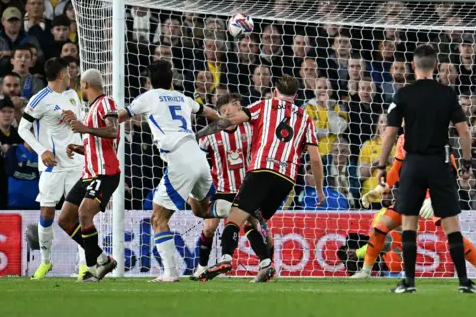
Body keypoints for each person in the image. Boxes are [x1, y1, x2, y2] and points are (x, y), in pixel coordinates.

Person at [194, 75, 325, 282]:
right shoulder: (305, 118)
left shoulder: (264, 105)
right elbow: (316, 160)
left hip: (262, 170)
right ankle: (266, 265)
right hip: (287, 180)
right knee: (254, 221)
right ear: (297, 96)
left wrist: (197, 135)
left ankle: (226, 258)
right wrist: (319, 190)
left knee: (235, 218)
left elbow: (229, 121)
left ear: (275, 92)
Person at [375, 44, 476, 294]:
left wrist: (382, 165)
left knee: (410, 223)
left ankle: (409, 282)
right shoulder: (447, 94)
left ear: (413, 67)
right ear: (436, 66)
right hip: (439, 162)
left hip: (412, 163)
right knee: (451, 223)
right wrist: (466, 162)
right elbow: (464, 131)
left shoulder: (402, 94)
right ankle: (465, 283)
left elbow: (390, 132)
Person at [117, 60, 221, 282]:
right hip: (198, 157)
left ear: (149, 82)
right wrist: (216, 126)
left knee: (157, 218)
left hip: (179, 160)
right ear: (172, 79)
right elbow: (211, 113)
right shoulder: (183, 98)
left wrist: (101, 118)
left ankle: (170, 273)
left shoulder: (148, 97)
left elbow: (122, 116)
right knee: (202, 212)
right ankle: (238, 209)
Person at [352, 132, 476, 279]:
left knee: (453, 235)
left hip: (436, 193)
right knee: (381, 227)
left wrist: (433, 197)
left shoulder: (438, 138)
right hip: (412, 193)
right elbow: (395, 169)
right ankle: (365, 271)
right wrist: (380, 188)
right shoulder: (403, 139)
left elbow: (450, 172)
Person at [192, 93, 274, 283]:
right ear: (225, 111)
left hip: (246, 188)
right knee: (209, 228)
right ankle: (202, 267)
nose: (241, 107)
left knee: (252, 224)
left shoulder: (250, 128)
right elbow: (198, 159)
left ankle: (265, 265)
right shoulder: (210, 134)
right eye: (236, 104)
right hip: (221, 189)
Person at [17, 57, 85, 280]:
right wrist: (41, 151)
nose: (72, 74)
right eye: (69, 70)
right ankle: (46, 262)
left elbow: (81, 123)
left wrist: (77, 119)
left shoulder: (73, 95)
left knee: (82, 214)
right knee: (47, 213)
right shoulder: (39, 100)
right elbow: (22, 129)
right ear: (62, 74)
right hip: (52, 167)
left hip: (76, 164)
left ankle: (84, 264)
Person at [56, 69, 120, 282]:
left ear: (85, 85)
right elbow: (99, 145)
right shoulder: (91, 108)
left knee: (84, 214)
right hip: (89, 174)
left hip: (106, 173)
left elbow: (113, 132)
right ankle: (102, 258)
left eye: (79, 85)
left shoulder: (106, 103)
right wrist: (80, 147)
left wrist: (84, 128)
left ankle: (91, 268)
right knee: (65, 219)